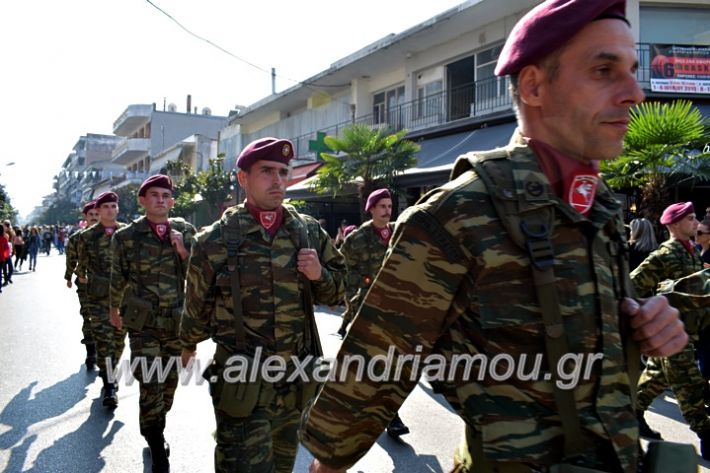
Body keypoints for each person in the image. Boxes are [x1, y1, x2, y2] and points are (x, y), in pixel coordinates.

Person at [300, 2, 688, 472]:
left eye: (631, 70)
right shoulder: (460, 212)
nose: (635, 92)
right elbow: (367, 384)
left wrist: (642, 325)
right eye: (604, 70)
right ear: (533, 86)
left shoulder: (597, 207)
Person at [180, 137, 346, 473]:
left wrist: (319, 275)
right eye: (266, 171)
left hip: (294, 380)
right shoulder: (214, 240)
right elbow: (196, 304)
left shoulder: (308, 232)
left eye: (283, 172)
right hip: (243, 380)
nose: (278, 180)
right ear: (243, 178)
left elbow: (340, 293)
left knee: (283, 465)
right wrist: (187, 345)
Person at [109, 175, 195, 473]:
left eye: (166, 195)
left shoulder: (185, 231)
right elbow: (117, 275)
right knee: (150, 384)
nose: (161, 200)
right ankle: (157, 445)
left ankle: (156, 428)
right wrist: (113, 308)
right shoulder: (126, 237)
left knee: (169, 385)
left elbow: (199, 276)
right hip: (143, 324)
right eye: (154, 195)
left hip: (176, 323)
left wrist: (183, 250)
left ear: (172, 201)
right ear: (142, 200)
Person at [631, 202, 710, 455]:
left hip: (687, 333)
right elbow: (632, 288)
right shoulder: (664, 254)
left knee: (650, 384)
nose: (696, 223)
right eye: (691, 219)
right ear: (674, 224)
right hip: (674, 335)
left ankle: (628, 417)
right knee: (692, 392)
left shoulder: (691, 252)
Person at [76, 191, 127, 408]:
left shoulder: (128, 233)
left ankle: (110, 371)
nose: (109, 210)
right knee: (104, 342)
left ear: (117, 209)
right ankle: (109, 384)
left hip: (123, 299)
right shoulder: (87, 236)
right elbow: (82, 267)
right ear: (99, 210)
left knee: (118, 341)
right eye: (105, 207)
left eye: (113, 206)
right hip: (97, 299)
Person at [65, 201, 100, 370]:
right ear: (85, 217)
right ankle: (91, 352)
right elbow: (71, 259)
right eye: (91, 215)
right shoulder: (76, 238)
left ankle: (105, 351)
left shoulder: (111, 235)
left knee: (107, 320)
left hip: (108, 285)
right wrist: (69, 277)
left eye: (96, 214)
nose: (94, 217)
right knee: (88, 317)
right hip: (85, 284)